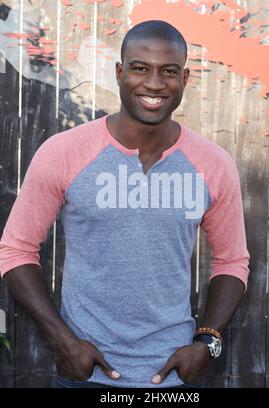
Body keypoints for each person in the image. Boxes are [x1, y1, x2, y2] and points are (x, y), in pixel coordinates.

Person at [0, 20, 250, 389]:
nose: (153, 83)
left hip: (173, 378)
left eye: (168, 71)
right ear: (119, 73)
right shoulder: (64, 152)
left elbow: (232, 260)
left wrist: (206, 341)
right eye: (139, 68)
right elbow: (16, 250)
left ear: (185, 78)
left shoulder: (212, 163)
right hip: (84, 373)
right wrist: (64, 341)